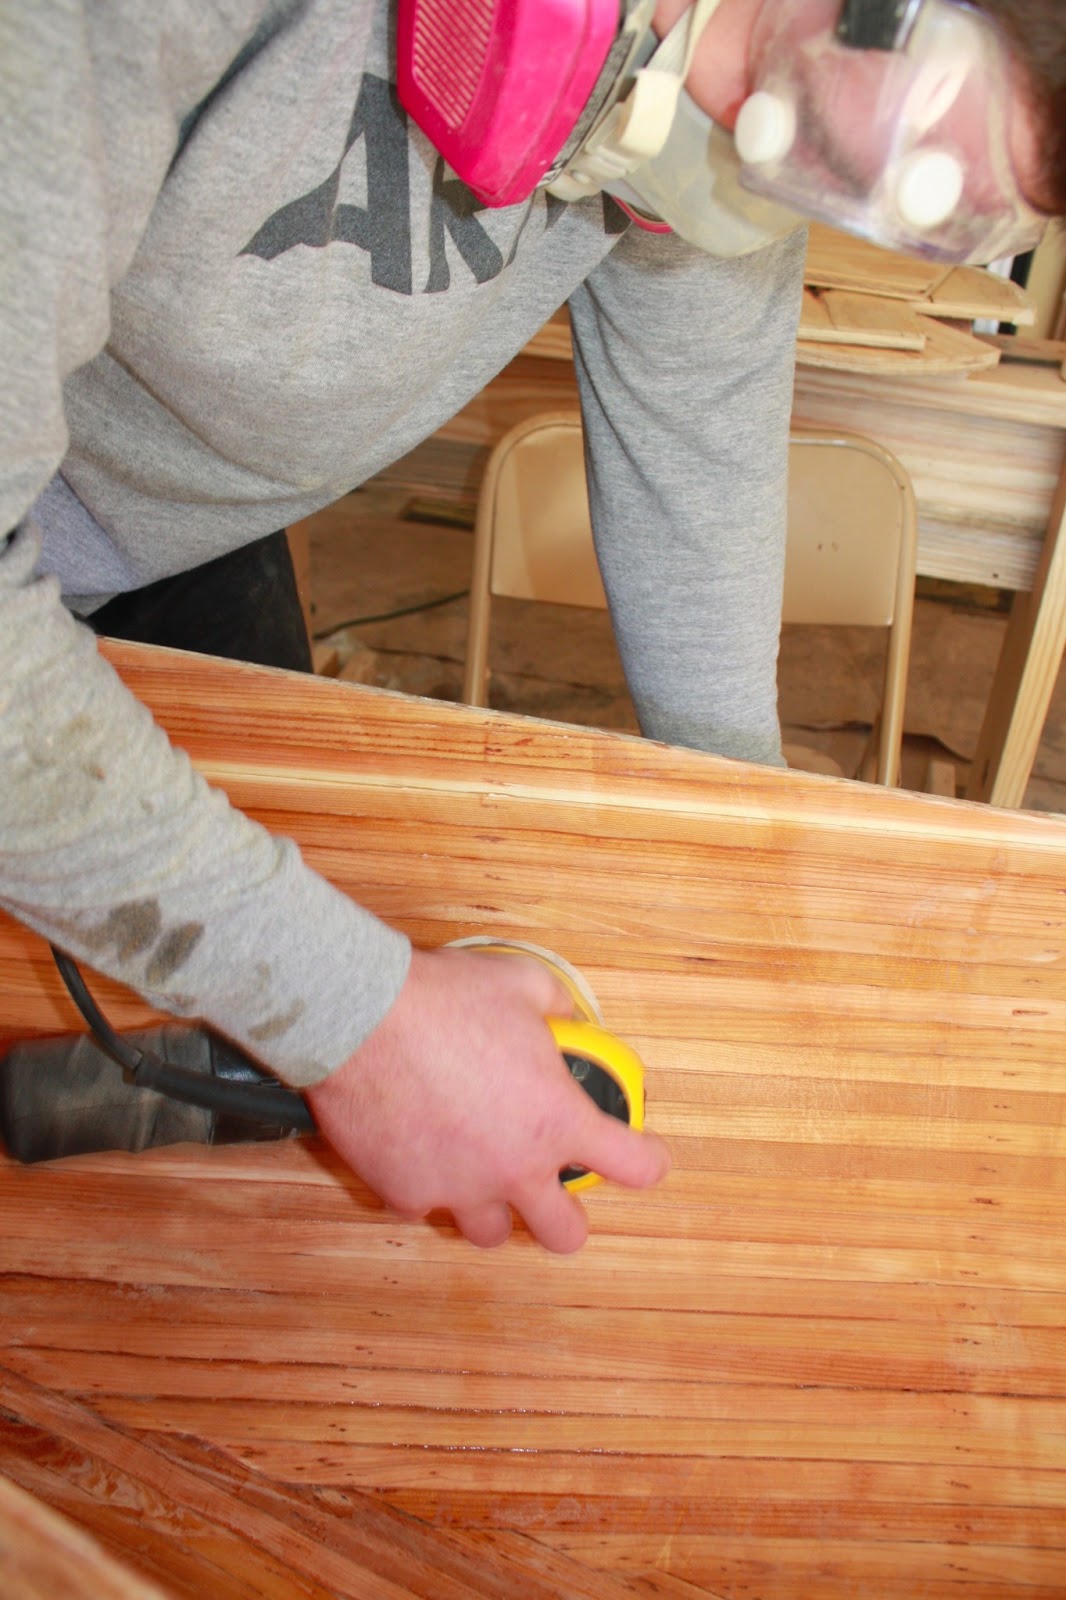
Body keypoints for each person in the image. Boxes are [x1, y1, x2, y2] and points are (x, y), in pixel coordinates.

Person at [1, 0, 1060, 1253]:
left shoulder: (722, 97)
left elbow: (694, 457)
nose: (755, 174)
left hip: (169, 535)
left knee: (239, 1165)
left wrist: (746, 854)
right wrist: (364, 1023)